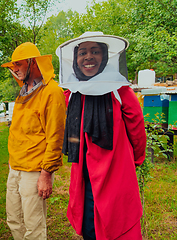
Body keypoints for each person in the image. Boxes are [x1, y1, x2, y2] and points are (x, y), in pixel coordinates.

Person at [56, 32, 146, 239]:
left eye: (95, 51)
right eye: (83, 52)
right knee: (89, 226)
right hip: (83, 175)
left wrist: (135, 160)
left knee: (118, 223)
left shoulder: (119, 90)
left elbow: (137, 128)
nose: (88, 57)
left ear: (104, 57)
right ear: (75, 59)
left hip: (115, 173)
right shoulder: (71, 93)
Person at [1, 42, 66, 239]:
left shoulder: (52, 92)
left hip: (35, 171)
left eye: (18, 64)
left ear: (33, 63)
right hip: (16, 167)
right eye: (13, 65)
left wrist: (46, 174)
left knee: (33, 226)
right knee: (14, 219)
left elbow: (55, 137)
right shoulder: (25, 90)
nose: (14, 69)